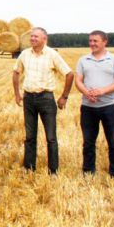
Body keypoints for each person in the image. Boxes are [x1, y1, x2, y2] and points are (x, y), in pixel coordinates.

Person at [12, 27, 73, 174]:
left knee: (51, 137)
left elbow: (69, 74)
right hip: (29, 98)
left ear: (44, 39)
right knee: (30, 136)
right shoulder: (25, 54)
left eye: (36, 37)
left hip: (46, 98)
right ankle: (29, 168)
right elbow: (16, 72)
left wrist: (64, 96)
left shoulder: (52, 54)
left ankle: (53, 170)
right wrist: (17, 94)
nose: (32, 39)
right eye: (31, 36)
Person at [74, 30, 114, 179]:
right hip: (88, 108)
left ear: (104, 42)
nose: (92, 44)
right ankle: (88, 172)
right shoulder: (83, 60)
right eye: (90, 41)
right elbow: (78, 80)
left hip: (110, 107)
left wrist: (102, 91)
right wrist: (87, 93)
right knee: (88, 142)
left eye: (95, 41)